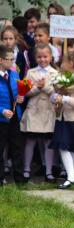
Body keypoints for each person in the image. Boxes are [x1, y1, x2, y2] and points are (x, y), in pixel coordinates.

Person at [49, 52, 74, 189]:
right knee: (64, 146)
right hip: (62, 117)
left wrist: (64, 98)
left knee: (70, 147)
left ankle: (71, 176)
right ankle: (71, 176)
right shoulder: (62, 79)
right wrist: (55, 97)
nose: (61, 64)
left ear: (71, 63)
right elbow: (56, 95)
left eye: (63, 62)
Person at [20, 43, 58, 182]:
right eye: (39, 57)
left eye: (45, 56)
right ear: (35, 58)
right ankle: (26, 169)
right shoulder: (31, 72)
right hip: (34, 110)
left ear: (51, 57)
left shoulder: (55, 73)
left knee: (48, 142)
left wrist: (45, 88)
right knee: (30, 141)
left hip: (48, 110)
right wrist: (36, 88)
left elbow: (57, 93)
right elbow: (25, 93)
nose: (42, 59)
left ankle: (48, 171)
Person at [0, 45, 27, 185]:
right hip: (1, 118)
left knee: (17, 148)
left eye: (13, 59)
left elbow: (18, 92)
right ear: (0, 60)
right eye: (9, 59)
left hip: (15, 117)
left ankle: (19, 179)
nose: (12, 62)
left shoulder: (14, 74)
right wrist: (2, 110)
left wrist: (20, 98)